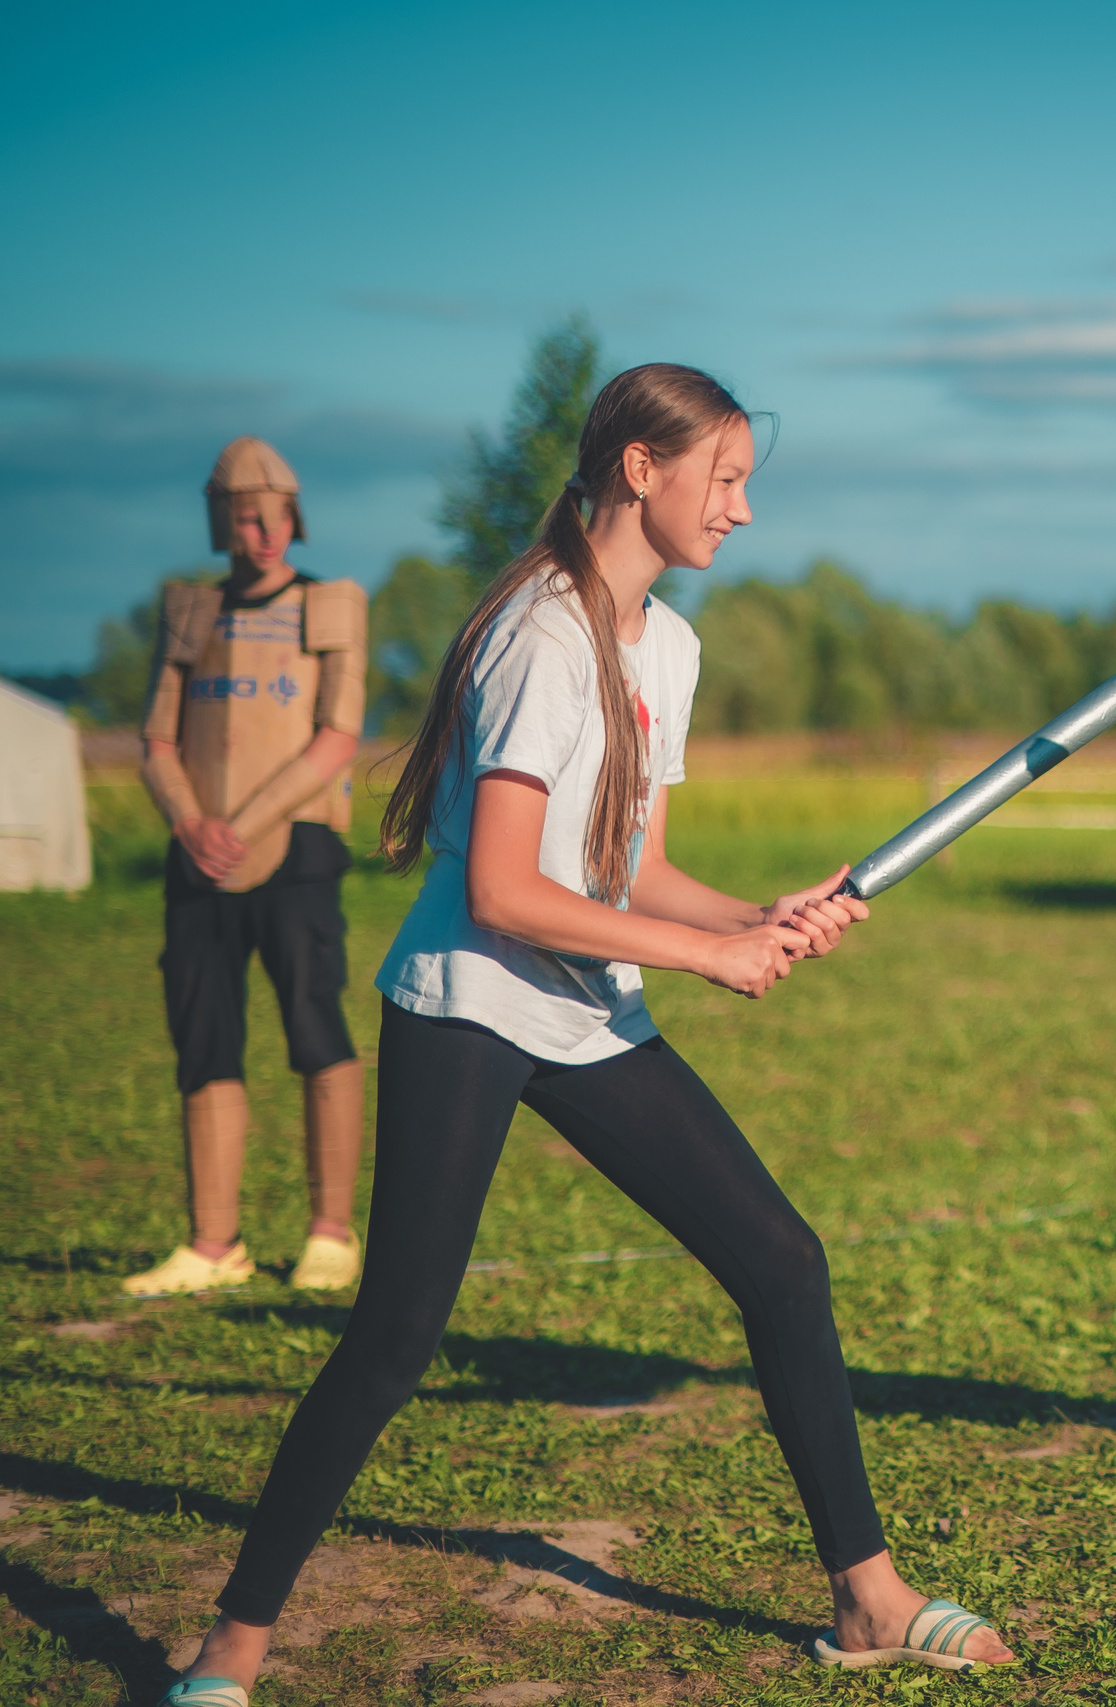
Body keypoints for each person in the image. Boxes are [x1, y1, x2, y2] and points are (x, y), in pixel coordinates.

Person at [159, 365, 1011, 1707]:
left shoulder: (665, 644)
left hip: (582, 1004)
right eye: (722, 479)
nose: (740, 512)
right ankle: (230, 1648)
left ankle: (868, 1592)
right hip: (472, 996)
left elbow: (634, 863)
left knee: (783, 1260)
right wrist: (708, 957)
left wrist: (755, 911)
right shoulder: (539, 636)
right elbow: (501, 888)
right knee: (395, 1336)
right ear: (638, 468)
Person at [127, 438, 368, 1299]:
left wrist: (245, 821)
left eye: (277, 511)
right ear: (221, 518)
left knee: (315, 1025)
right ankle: (212, 1242)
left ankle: (330, 1233)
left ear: (296, 514)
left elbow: (336, 735)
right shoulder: (190, 610)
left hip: (295, 848)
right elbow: (156, 736)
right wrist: (192, 822)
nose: (264, 528)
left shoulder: (331, 603)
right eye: (245, 512)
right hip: (198, 859)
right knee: (204, 1034)